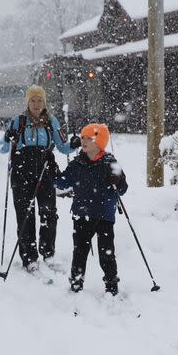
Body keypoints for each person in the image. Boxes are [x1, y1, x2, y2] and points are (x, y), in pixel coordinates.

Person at [0, 85, 74, 272]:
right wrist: (8, 138)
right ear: (27, 102)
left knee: (49, 214)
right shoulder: (18, 122)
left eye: (40, 100)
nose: (36, 104)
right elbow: (2, 147)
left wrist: (74, 145)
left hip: (45, 171)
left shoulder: (51, 121)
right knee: (25, 216)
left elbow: (62, 146)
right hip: (21, 172)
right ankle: (29, 257)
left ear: (44, 102)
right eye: (33, 100)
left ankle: (48, 253)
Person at [54, 123, 127, 295]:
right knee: (80, 251)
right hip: (82, 214)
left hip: (104, 216)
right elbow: (63, 182)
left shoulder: (110, 162)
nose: (84, 141)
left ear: (99, 141)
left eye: (89, 138)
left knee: (106, 253)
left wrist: (117, 180)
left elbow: (123, 189)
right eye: (83, 137)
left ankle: (111, 284)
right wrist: (53, 171)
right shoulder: (77, 163)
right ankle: (76, 282)